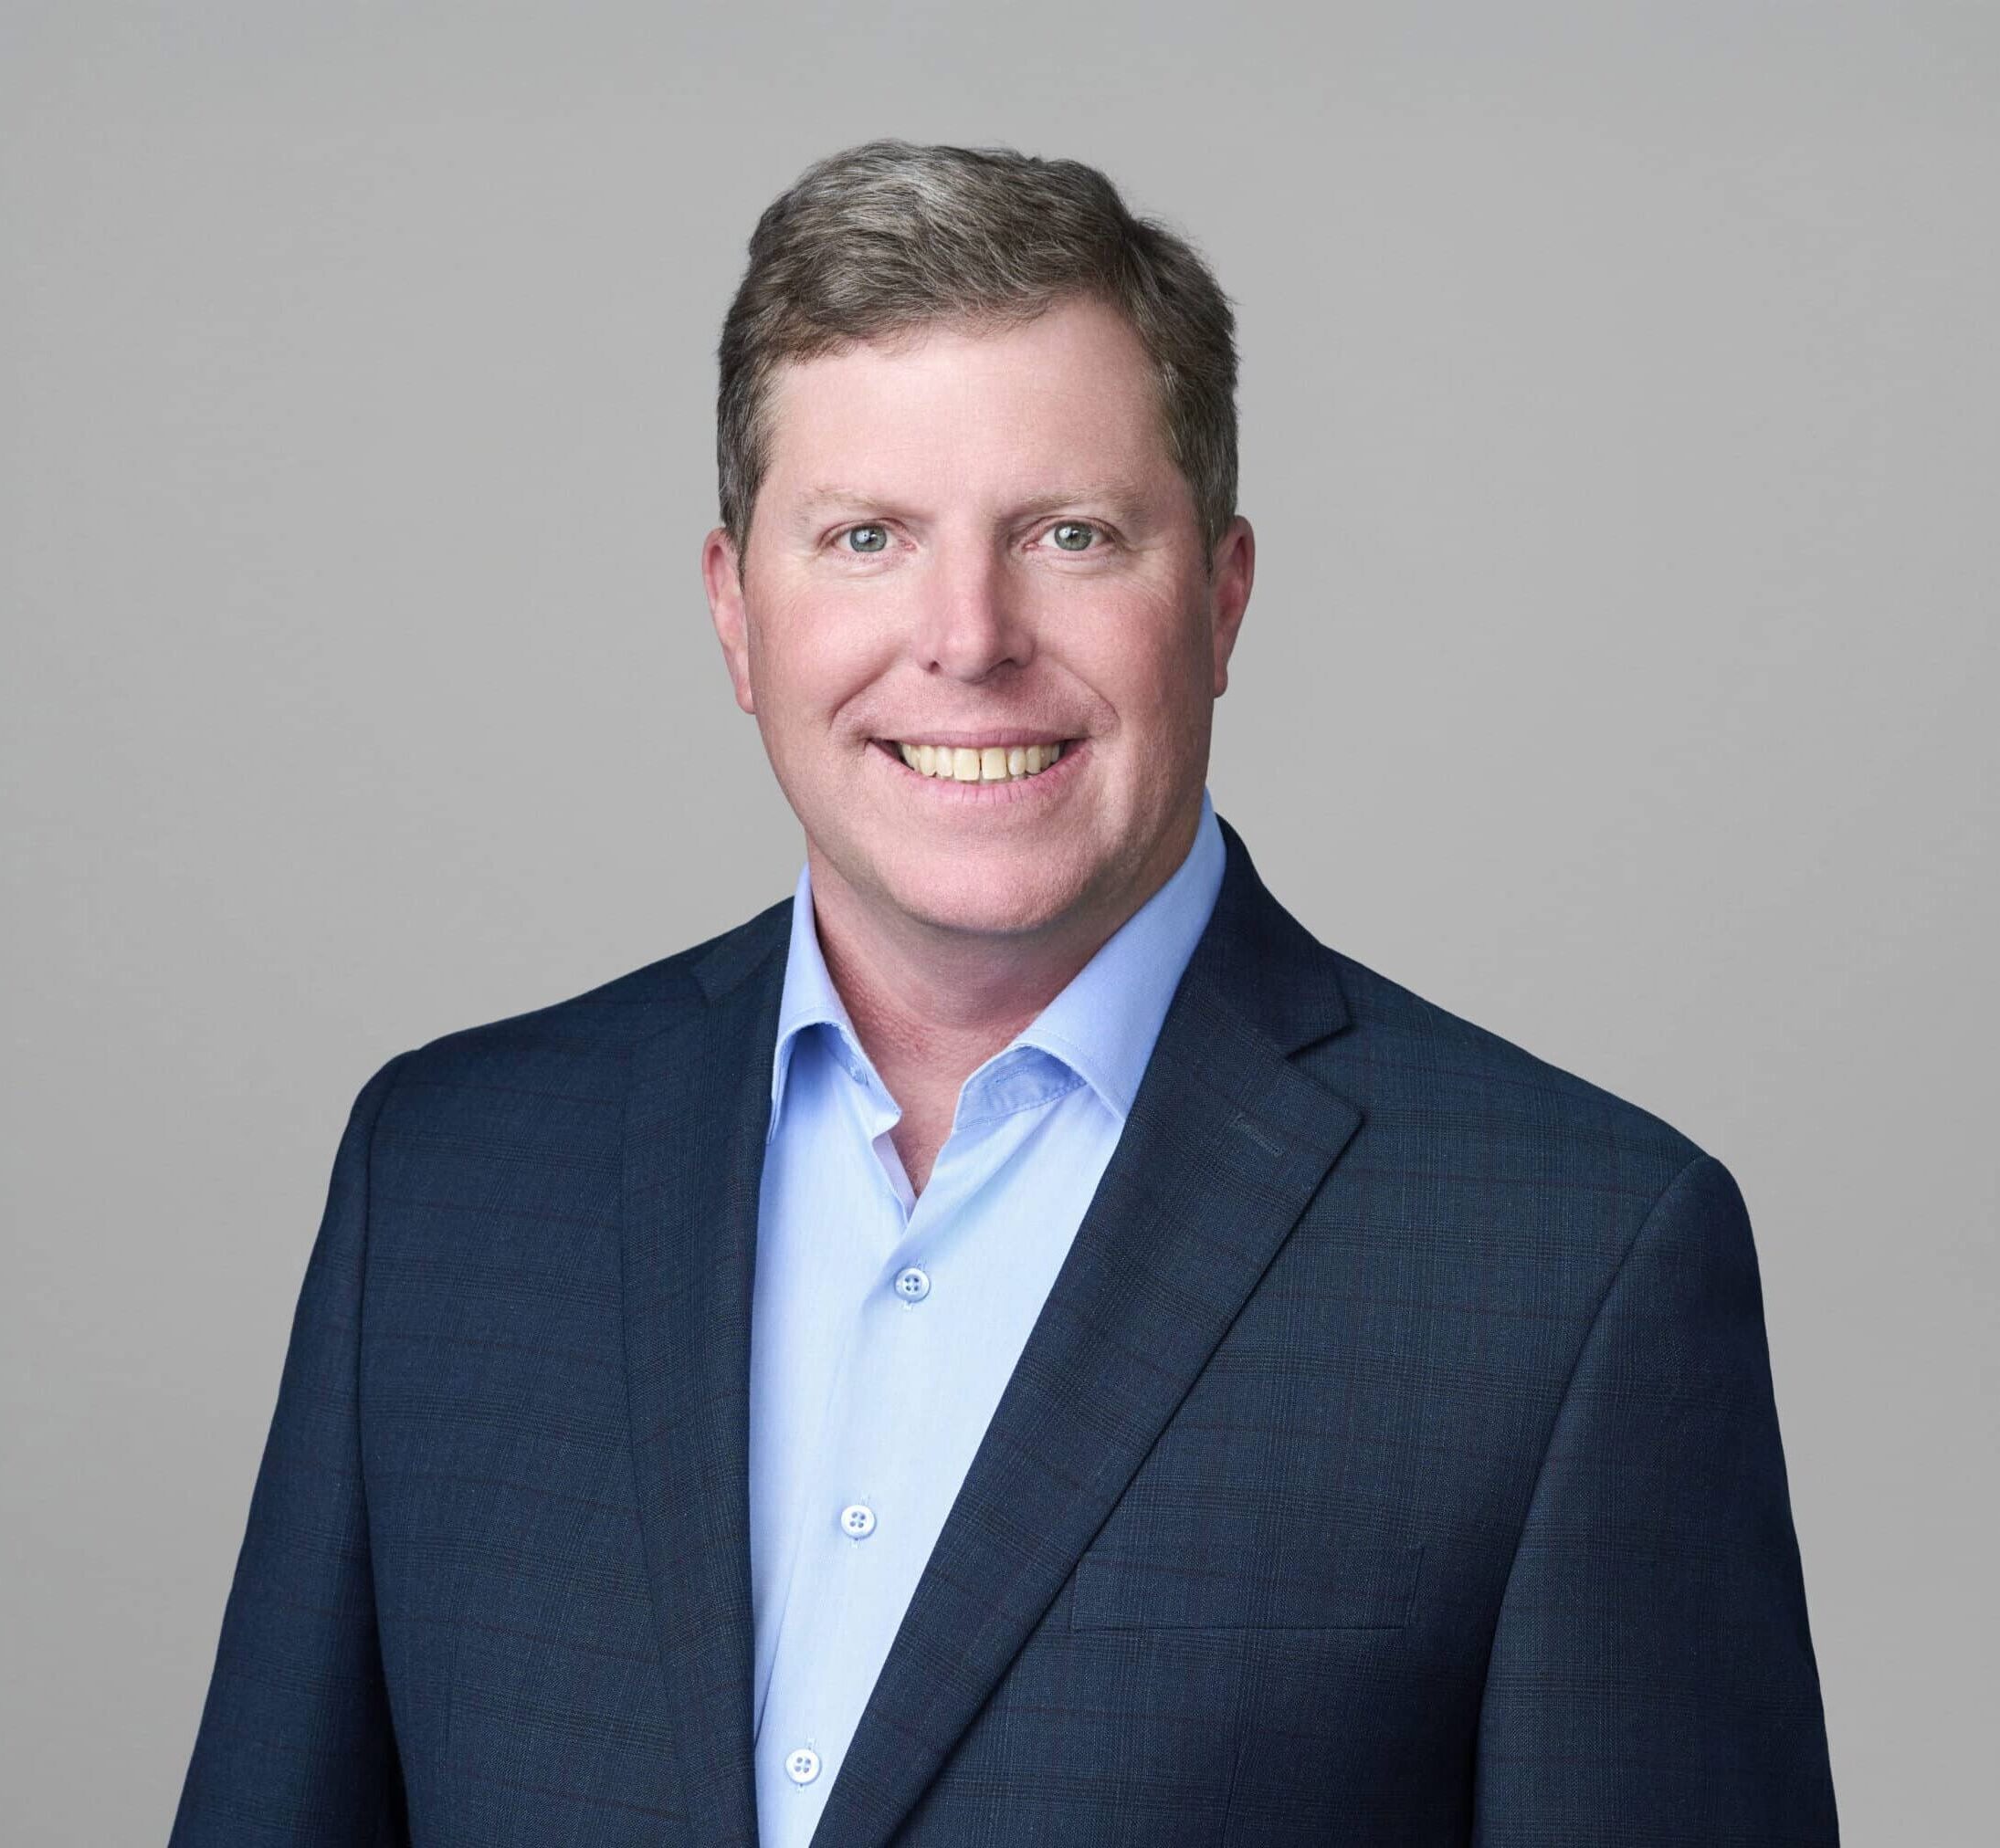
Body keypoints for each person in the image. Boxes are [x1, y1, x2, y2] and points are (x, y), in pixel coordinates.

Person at [169, 139, 1838, 1846]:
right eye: (865, 536)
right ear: (737, 614)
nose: (968, 636)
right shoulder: (447, 1181)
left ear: (1222, 600)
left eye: (1071, 534)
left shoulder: (1567, 1263)